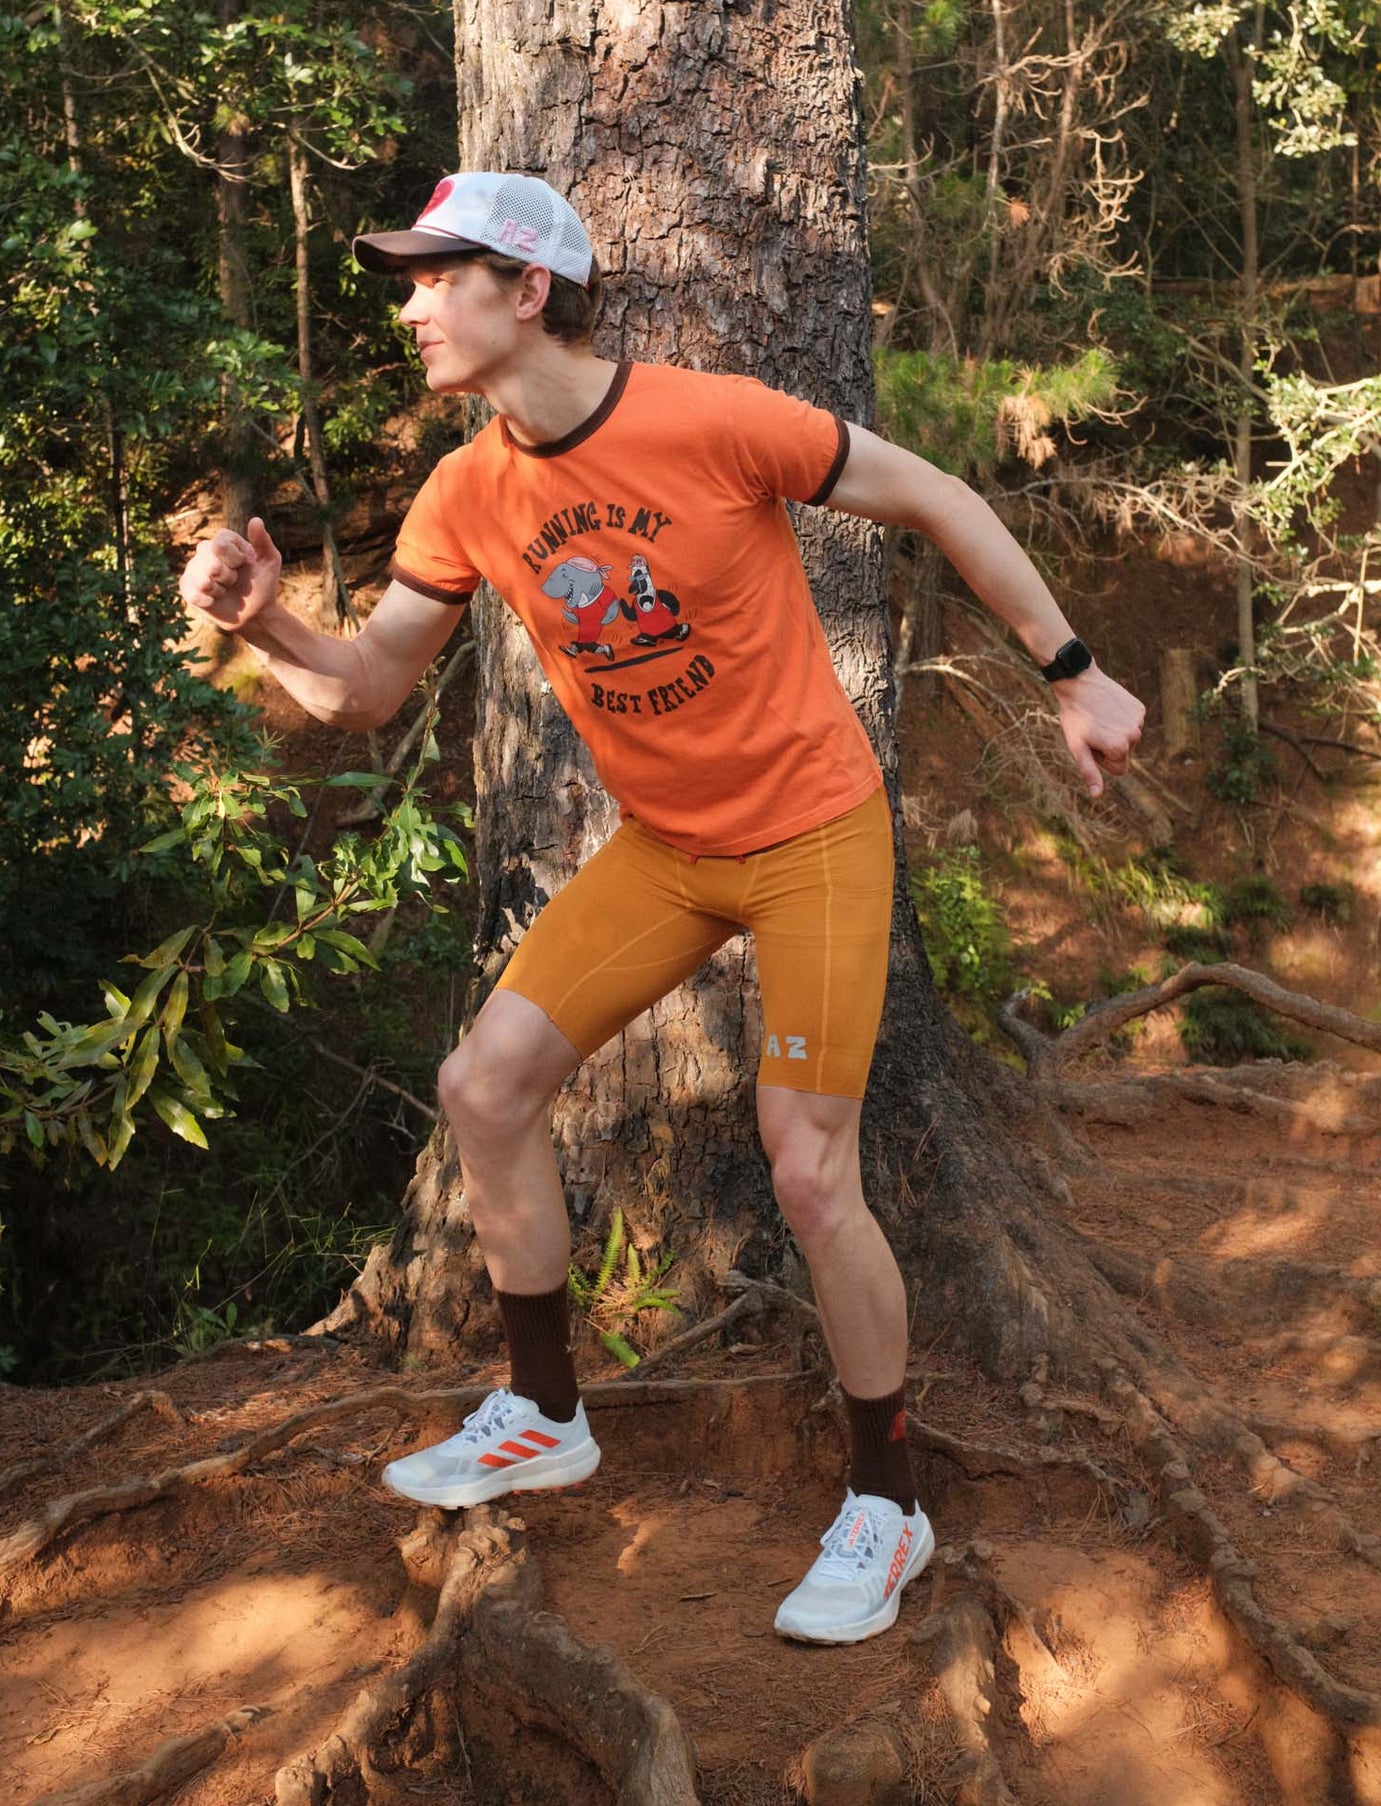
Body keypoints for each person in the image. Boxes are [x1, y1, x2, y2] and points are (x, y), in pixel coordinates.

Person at [179, 171, 1145, 1646]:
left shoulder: (711, 419)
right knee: (482, 1082)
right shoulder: (466, 490)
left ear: (528, 292)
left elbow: (936, 494)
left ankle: (885, 1499)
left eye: (443, 274)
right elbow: (365, 689)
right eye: (408, 277)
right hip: (670, 849)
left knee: (809, 1176)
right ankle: (544, 1408)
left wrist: (1071, 670)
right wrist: (265, 627)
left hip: (813, 830)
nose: (413, 303)